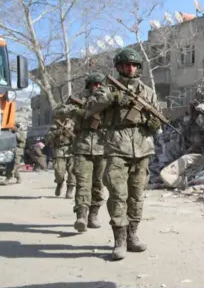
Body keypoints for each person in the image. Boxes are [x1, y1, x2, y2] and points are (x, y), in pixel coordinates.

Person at [85, 48, 161, 261]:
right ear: (119, 67)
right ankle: (119, 240)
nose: (131, 68)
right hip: (117, 148)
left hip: (142, 148)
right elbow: (90, 107)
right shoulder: (107, 89)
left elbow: (156, 115)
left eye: (134, 65)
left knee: (137, 196)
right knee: (119, 196)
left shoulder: (147, 91)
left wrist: (152, 122)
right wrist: (114, 97)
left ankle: (132, 236)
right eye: (126, 64)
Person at [53, 72, 107, 233]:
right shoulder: (79, 102)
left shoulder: (107, 102)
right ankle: (81, 216)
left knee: (98, 185)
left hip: (103, 148)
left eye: (99, 84)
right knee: (83, 183)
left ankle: (93, 215)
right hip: (82, 148)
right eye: (93, 84)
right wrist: (74, 111)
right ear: (89, 86)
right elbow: (58, 112)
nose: (96, 87)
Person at [45, 117, 75, 198]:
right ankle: (59, 183)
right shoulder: (54, 126)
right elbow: (47, 139)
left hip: (71, 151)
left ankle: (69, 190)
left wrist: (70, 132)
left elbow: (78, 137)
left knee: (72, 172)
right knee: (59, 172)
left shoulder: (73, 124)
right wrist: (57, 132)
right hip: (59, 151)